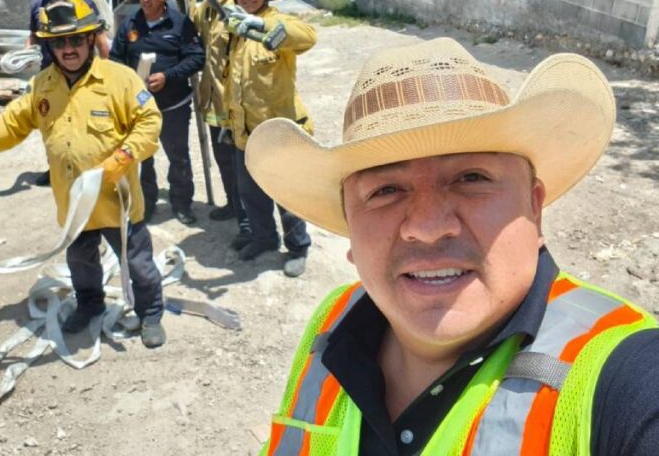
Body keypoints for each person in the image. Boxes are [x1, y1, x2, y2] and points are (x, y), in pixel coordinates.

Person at [246, 38, 659, 455]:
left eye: (471, 178)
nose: (427, 227)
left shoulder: (626, 377)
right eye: (386, 189)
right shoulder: (331, 322)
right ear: (350, 230)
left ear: (534, 209)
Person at [0, 0, 168, 348]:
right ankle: (90, 305)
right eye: (60, 42)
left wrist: (123, 156)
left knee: (138, 263)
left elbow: (149, 121)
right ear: (50, 45)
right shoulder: (43, 86)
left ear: (91, 39)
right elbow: (13, 123)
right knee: (81, 263)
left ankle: (151, 312)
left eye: (76, 39)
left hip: (116, 201)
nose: (69, 49)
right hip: (74, 205)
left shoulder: (119, 79)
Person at [223, 0, 315, 277]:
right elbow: (234, 82)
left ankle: (298, 246)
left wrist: (263, 26)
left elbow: (307, 36)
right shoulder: (235, 27)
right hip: (245, 135)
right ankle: (264, 239)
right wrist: (228, 122)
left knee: (287, 195)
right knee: (251, 193)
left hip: (280, 134)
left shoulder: (276, 23)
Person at [110, 0, 204, 225]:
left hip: (173, 105)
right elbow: (115, 59)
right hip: (139, 109)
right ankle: (146, 204)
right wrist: (130, 82)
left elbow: (197, 58)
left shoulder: (180, 23)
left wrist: (168, 76)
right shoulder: (130, 24)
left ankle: (182, 204)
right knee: (141, 159)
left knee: (179, 158)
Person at [178, 0, 248, 246]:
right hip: (212, 101)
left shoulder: (239, 6)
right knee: (224, 161)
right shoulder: (205, 8)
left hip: (237, 103)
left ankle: (248, 223)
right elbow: (187, 24)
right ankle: (233, 205)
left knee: (243, 163)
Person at [27, 0, 111, 187]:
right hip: (51, 75)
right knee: (50, 123)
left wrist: (107, 70)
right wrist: (26, 56)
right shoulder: (38, 6)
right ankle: (56, 168)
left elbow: (100, 39)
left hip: (81, 74)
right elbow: (33, 36)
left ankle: (88, 165)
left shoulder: (83, 5)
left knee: (85, 122)